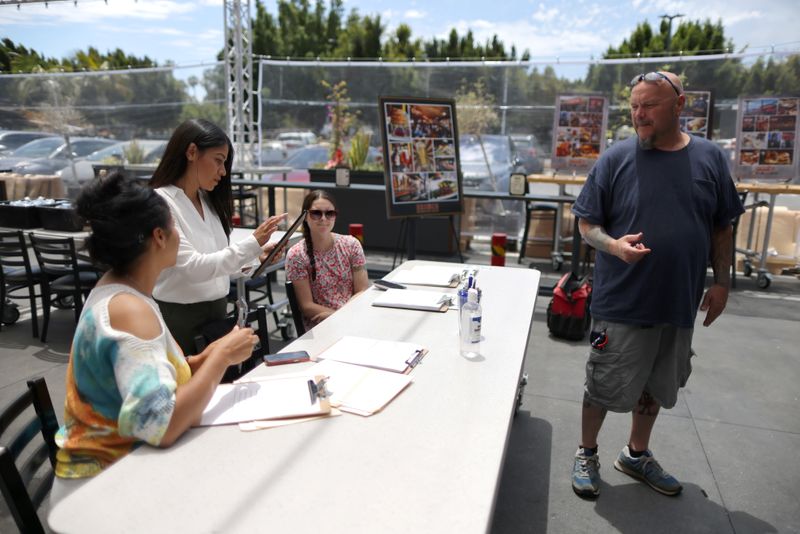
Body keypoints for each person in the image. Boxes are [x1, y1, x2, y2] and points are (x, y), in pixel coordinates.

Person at [570, 71, 744, 498]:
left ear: (679, 105)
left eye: (649, 105)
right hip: (623, 303)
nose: (639, 114)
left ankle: (635, 453)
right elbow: (586, 224)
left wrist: (722, 282)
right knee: (603, 384)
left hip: (678, 302)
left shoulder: (710, 158)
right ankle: (586, 452)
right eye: (634, 106)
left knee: (656, 386)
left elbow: (723, 226)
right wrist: (613, 246)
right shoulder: (614, 158)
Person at [50, 173, 258, 506]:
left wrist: (205, 356)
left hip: (118, 475)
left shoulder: (121, 291)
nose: (180, 235)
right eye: (176, 227)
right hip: (101, 493)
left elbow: (143, 373)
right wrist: (220, 360)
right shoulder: (130, 311)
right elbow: (161, 425)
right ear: (159, 237)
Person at [149, 119, 285, 355]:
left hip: (217, 315)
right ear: (192, 152)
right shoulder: (162, 203)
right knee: (190, 386)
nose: (223, 172)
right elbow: (193, 268)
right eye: (218, 160)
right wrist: (252, 244)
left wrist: (256, 258)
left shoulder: (207, 202)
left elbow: (216, 265)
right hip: (180, 320)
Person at [285, 190, 369, 331]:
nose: (323, 218)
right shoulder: (296, 255)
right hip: (321, 326)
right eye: (316, 213)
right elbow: (307, 306)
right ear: (305, 217)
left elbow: (362, 290)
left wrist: (343, 316)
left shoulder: (352, 244)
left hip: (352, 318)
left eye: (329, 213)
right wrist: (339, 317)